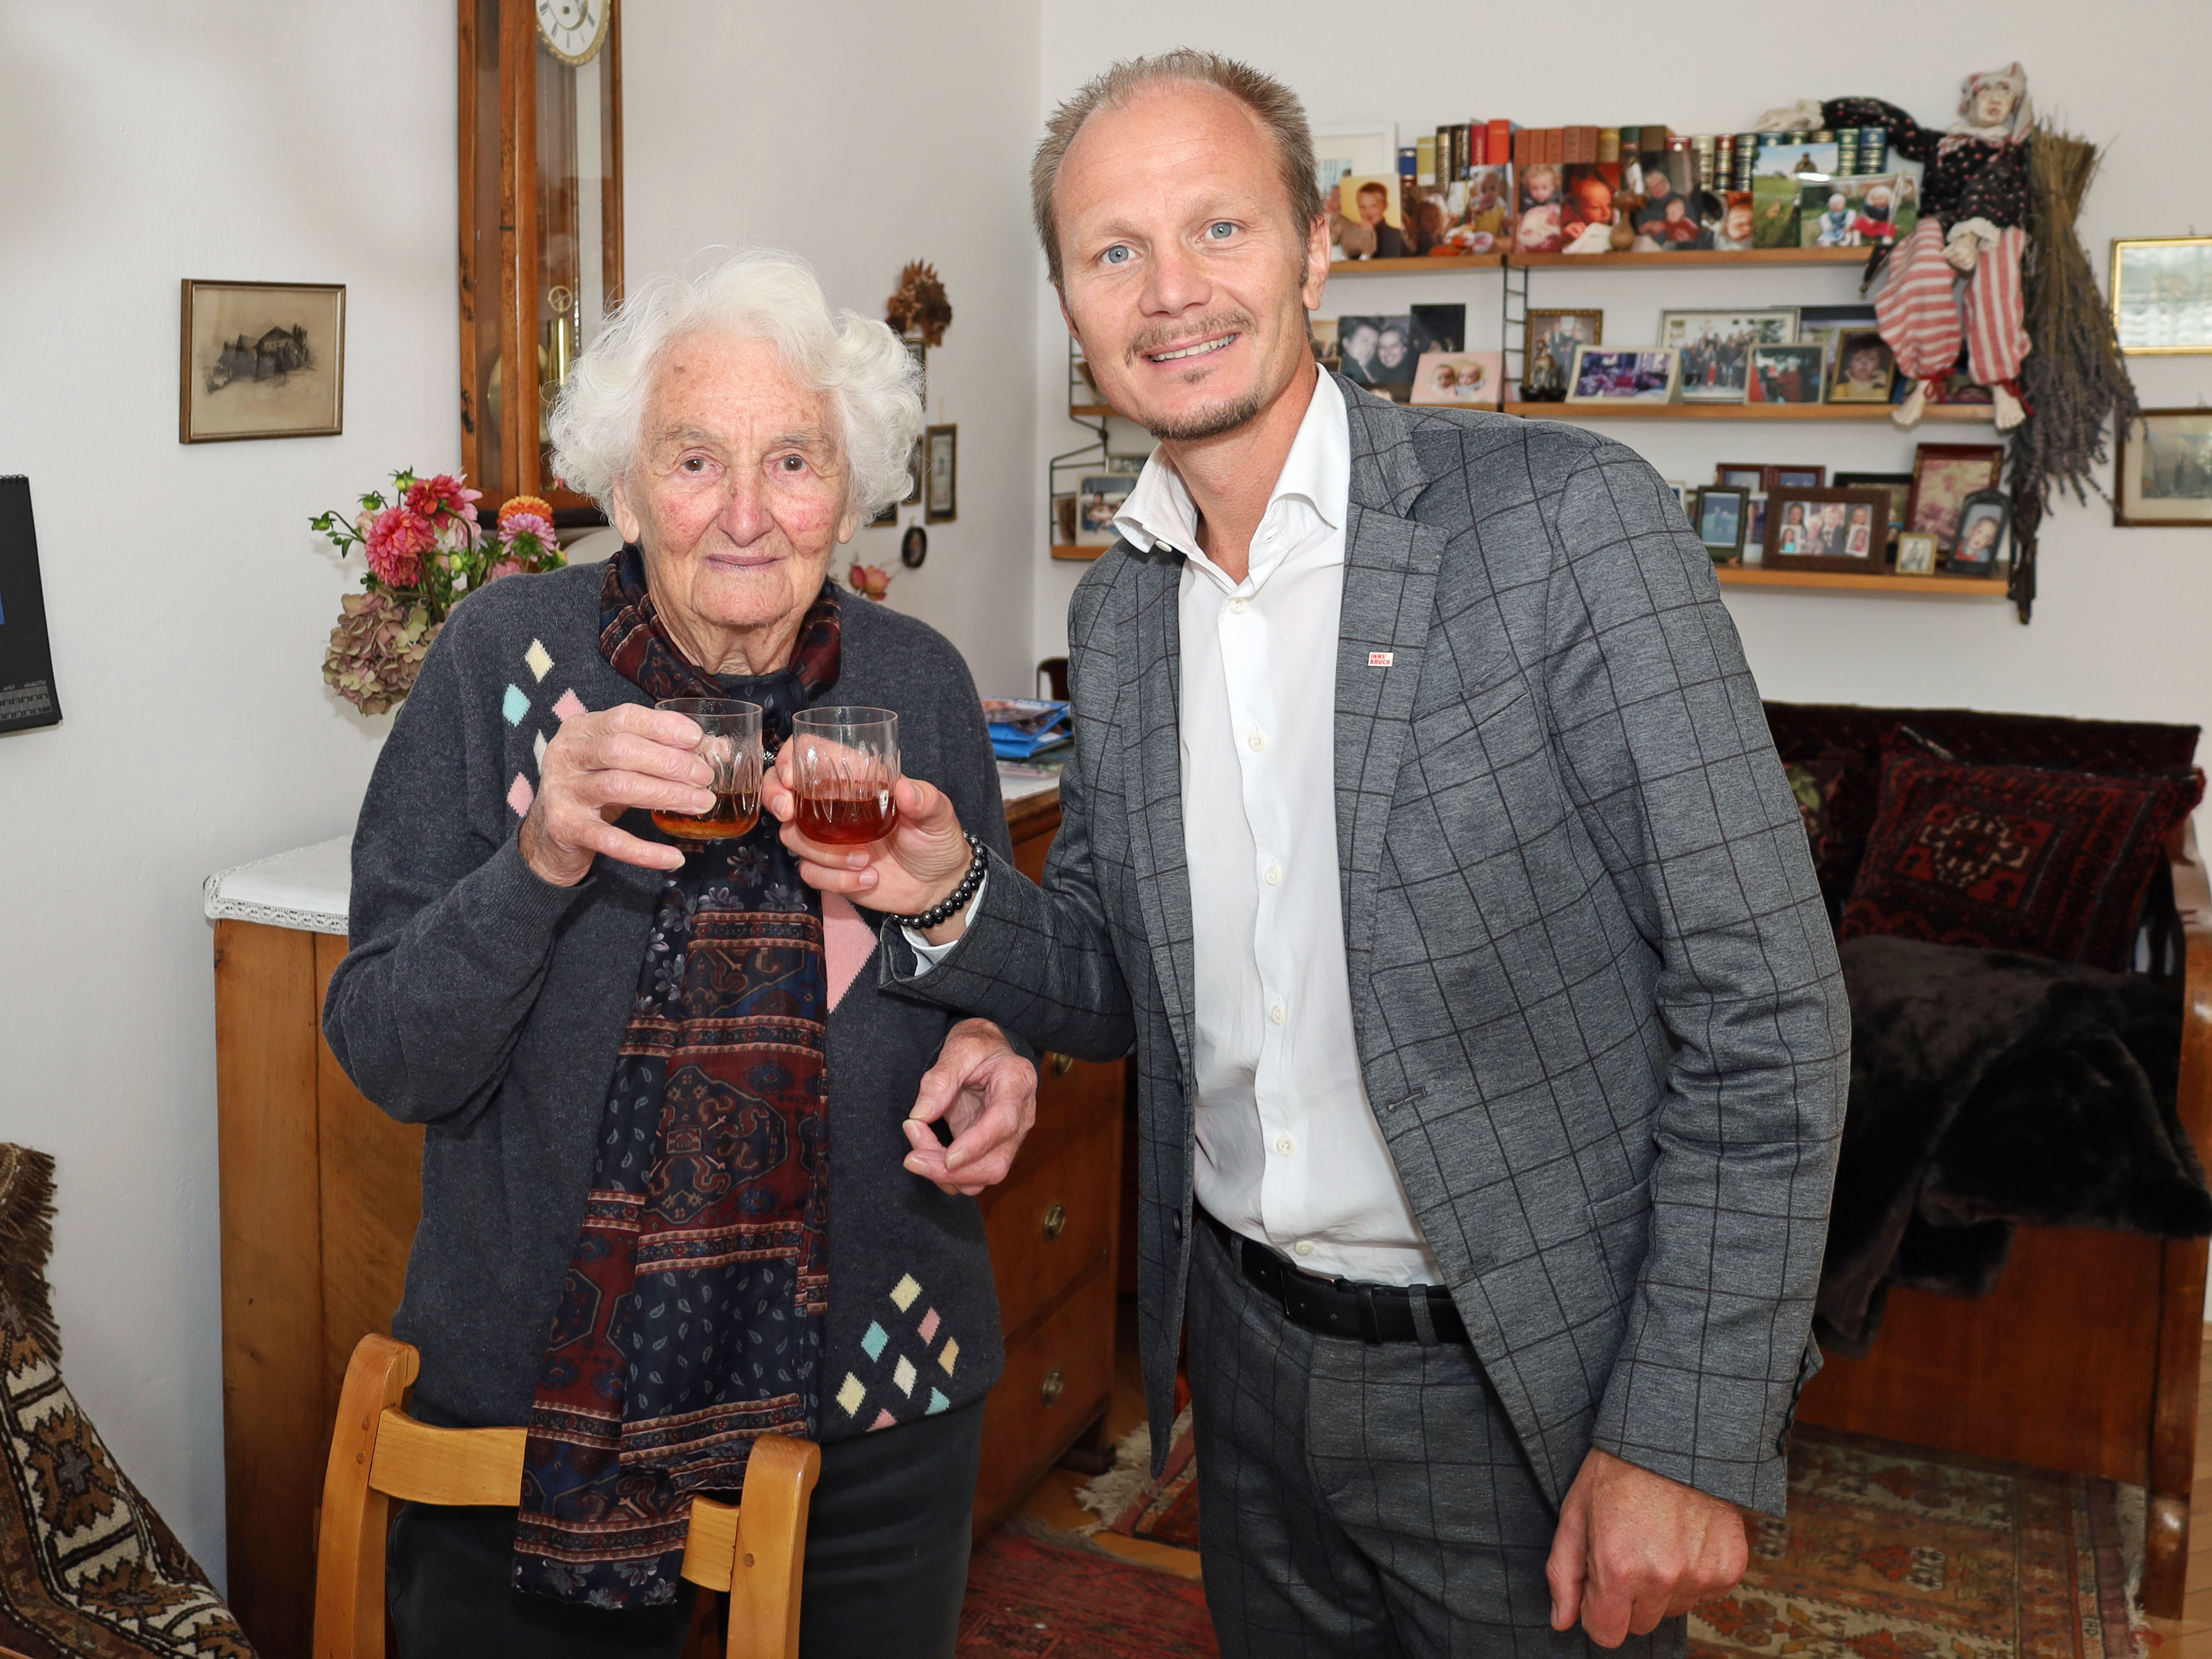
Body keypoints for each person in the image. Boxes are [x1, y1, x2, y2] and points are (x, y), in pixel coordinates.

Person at [767, 50, 1847, 1659]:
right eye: (1112, 251)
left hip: (1518, 1386)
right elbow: (1122, 977)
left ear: (1317, 248)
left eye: (1220, 227)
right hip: (1246, 1376)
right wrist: (943, 891)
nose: (1172, 289)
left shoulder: (1564, 526)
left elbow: (1769, 1014)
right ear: (1067, 300)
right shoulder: (1120, 616)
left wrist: (1682, 1434)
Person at [324, 247, 1037, 1659]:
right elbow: (390, 1051)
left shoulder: (917, 682)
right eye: (696, 458)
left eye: (795, 458)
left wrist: (996, 1053)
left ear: (852, 483)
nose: (750, 514)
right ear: (628, 484)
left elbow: (991, 975)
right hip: (537, 1408)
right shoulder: (503, 661)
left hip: (875, 1403)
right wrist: (537, 860)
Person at [1354, 179, 1408, 258]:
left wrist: (1369, 235)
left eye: (1374, 206)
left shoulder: (1395, 236)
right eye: (1363, 207)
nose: (1368, 212)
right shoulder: (1353, 236)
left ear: (1385, 206)